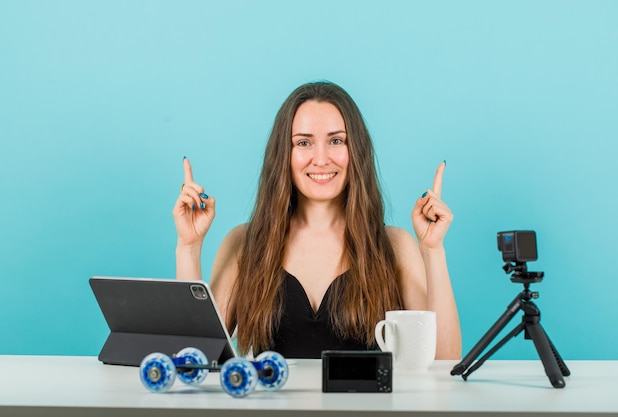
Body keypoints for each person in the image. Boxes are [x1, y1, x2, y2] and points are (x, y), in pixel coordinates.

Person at [174, 81, 462, 359]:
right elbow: (196, 355)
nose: (321, 159)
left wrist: (433, 251)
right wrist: (189, 247)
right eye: (304, 143)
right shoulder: (244, 243)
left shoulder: (394, 245)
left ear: (356, 151)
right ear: (283, 154)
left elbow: (444, 359)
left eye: (336, 140)